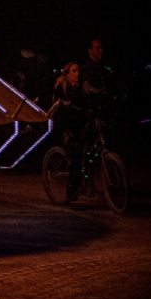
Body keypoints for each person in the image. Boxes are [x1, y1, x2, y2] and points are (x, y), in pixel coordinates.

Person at [50, 62, 86, 201]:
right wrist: (64, 104)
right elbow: (57, 105)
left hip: (77, 125)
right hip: (64, 126)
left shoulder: (81, 88)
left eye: (78, 71)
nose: (77, 73)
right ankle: (71, 188)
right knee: (76, 152)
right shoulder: (61, 87)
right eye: (74, 71)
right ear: (67, 73)